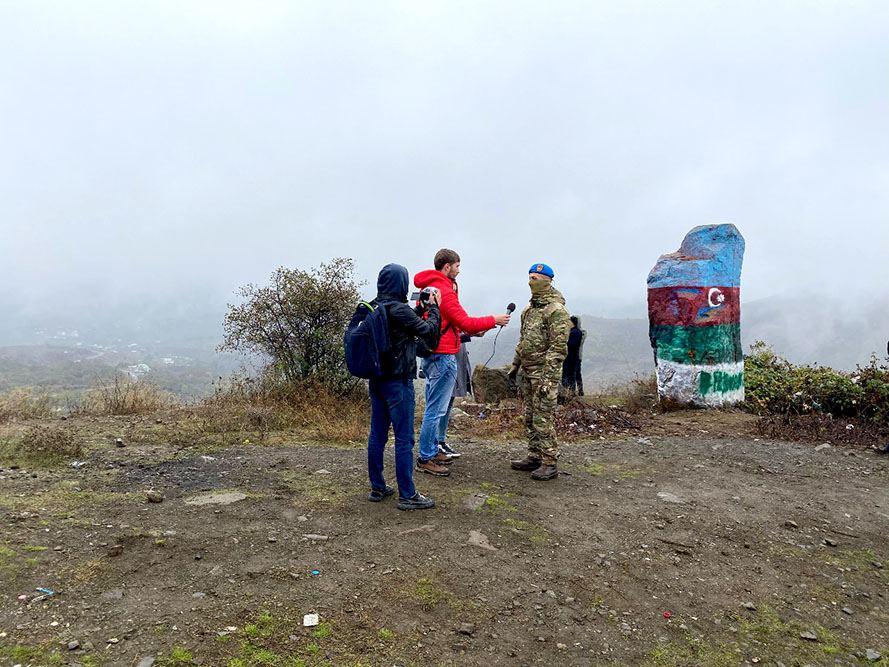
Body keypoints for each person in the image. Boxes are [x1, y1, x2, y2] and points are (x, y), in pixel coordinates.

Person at [414, 249, 511, 476]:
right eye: (457, 266)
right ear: (447, 267)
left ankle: (431, 450)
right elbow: (464, 321)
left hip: (432, 354)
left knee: (434, 406)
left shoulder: (428, 288)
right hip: (443, 356)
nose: (459, 271)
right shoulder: (445, 291)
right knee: (435, 409)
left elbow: (449, 323)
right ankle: (426, 457)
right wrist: (493, 320)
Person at [363, 264, 443, 510]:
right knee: (404, 438)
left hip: (376, 379)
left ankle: (378, 487)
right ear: (402, 283)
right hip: (398, 382)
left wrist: (418, 311)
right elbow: (429, 335)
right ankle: (407, 494)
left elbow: (402, 331)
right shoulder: (399, 309)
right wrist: (433, 308)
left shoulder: (374, 308)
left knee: (377, 434)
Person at [508, 263, 571, 481]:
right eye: (530, 277)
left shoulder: (556, 311)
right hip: (527, 371)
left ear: (548, 280)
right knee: (530, 416)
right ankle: (534, 455)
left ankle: (549, 461)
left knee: (543, 417)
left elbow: (558, 348)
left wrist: (548, 377)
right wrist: (515, 364)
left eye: (536, 278)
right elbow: (523, 340)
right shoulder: (529, 310)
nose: (531, 282)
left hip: (545, 374)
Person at [437, 333, 475, 459]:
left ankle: (441, 441)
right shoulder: (440, 313)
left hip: (456, 360)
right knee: (441, 405)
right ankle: (436, 443)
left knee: (448, 403)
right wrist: (470, 334)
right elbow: (444, 335)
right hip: (445, 360)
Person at [561, 316, 586, 396]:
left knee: (569, 374)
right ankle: (576, 391)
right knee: (575, 374)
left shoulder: (575, 332)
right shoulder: (578, 332)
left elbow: (570, 344)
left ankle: (569, 392)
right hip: (574, 357)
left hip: (571, 357)